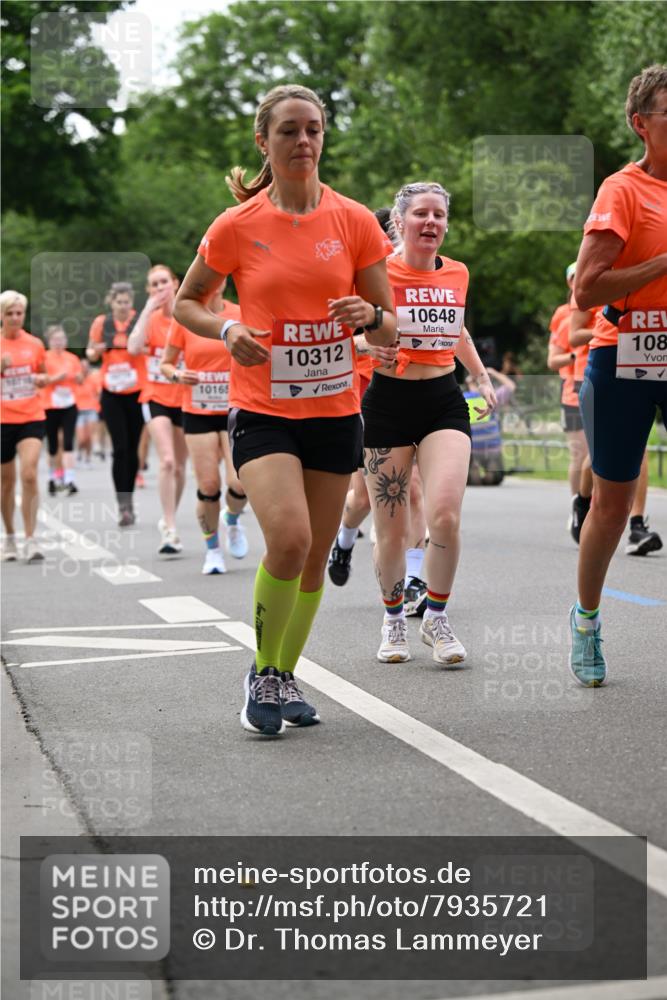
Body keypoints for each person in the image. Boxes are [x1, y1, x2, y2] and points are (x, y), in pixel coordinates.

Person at [173, 83, 397, 735]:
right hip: (264, 409)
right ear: (263, 141)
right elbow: (188, 301)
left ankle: (279, 673)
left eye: (314, 130)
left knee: (313, 552)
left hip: (334, 411)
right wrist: (226, 330)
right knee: (291, 539)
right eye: (289, 131)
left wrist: (370, 315)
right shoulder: (236, 226)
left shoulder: (353, 220)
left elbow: (388, 330)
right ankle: (263, 674)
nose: (303, 141)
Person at [361, 181, 496, 665]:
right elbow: (343, 327)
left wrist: (479, 376)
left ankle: (436, 618)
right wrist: (362, 345)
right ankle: (393, 618)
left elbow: (455, 326)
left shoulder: (457, 271)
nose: (432, 223)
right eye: (421, 214)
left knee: (445, 514)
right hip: (388, 402)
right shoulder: (377, 272)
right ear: (399, 222)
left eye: (439, 215)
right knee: (391, 529)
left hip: (443, 399)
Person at [571, 63, 667, 686]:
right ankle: (586, 620)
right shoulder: (623, 190)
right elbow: (585, 289)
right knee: (609, 503)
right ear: (641, 124)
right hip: (624, 352)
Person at [161, 283, 249, 574]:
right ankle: (213, 550)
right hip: (197, 411)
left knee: (240, 483)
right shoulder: (186, 316)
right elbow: (166, 364)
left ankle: (232, 520)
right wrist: (176, 375)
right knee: (209, 485)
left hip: (233, 408)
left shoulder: (240, 313)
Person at [128, 265, 188, 555]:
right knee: (165, 460)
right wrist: (148, 308)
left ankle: (169, 518)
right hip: (155, 395)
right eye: (154, 284)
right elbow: (132, 347)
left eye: (165, 282)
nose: (161, 288)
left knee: (178, 465)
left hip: (186, 397)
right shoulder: (150, 319)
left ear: (176, 284)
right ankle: (170, 525)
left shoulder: (189, 316)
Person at [86, 281, 146, 526]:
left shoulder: (140, 321)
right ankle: (123, 505)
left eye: (126, 302)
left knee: (132, 450)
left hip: (136, 390)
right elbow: (90, 353)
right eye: (118, 302)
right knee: (119, 448)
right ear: (111, 302)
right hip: (111, 392)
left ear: (132, 302)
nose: (123, 306)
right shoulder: (102, 323)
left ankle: (129, 499)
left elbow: (150, 346)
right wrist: (96, 351)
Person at [0, 290, 48, 562]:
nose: (16, 318)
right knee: (6, 484)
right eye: (10, 313)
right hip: (2, 419)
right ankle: (9, 536)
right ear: (1, 316)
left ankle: (31, 538)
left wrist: (41, 379)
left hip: (31, 415)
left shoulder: (35, 344)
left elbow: (41, 371)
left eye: (20, 313)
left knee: (29, 474)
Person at [547, 263, 591, 538]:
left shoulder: (601, 306)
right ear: (569, 282)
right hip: (573, 390)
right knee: (581, 454)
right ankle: (578, 503)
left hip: (601, 385)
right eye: (574, 278)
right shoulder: (564, 316)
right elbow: (552, 359)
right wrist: (575, 357)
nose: (579, 281)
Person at [42, 324, 83, 496]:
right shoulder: (44, 357)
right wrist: (56, 378)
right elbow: (41, 381)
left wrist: (80, 377)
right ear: (49, 341)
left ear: (66, 341)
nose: (58, 343)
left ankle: (69, 479)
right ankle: (53, 478)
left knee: (68, 442)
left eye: (61, 339)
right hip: (50, 405)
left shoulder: (72, 358)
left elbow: (80, 379)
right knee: (52, 445)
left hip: (69, 404)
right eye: (55, 340)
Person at [75, 359, 101, 465]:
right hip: (78, 411)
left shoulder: (93, 379)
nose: (84, 368)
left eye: (86, 366)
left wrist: (96, 402)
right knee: (81, 438)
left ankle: (88, 457)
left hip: (91, 410)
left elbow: (99, 392)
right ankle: (80, 451)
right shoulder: (76, 379)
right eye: (82, 366)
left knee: (89, 436)